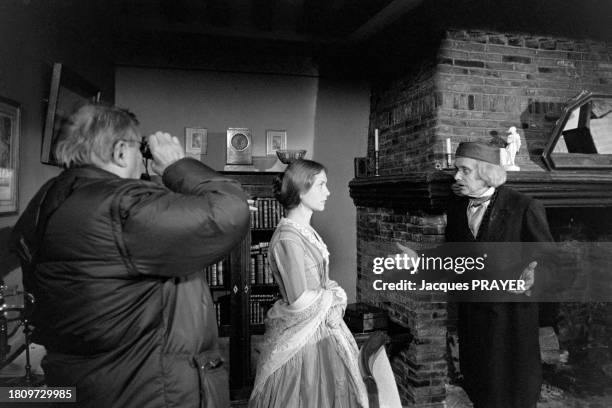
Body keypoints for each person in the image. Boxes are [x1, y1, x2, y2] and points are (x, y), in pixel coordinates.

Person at [11, 103, 250, 408]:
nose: (141, 159)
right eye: (140, 150)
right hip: (145, 389)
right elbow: (230, 212)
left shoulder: (51, 197)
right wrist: (178, 165)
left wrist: (153, 185)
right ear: (121, 151)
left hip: (88, 381)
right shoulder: (121, 207)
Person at [249, 159, 368, 408]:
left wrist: (332, 293)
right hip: (305, 342)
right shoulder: (288, 238)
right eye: (321, 185)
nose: (328, 191)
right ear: (302, 190)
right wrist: (334, 297)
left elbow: (320, 283)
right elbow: (300, 300)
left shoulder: (303, 230)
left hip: (321, 329)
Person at [447, 142, 553, 408]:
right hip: (473, 322)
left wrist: (535, 276)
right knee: (480, 390)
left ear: (487, 173)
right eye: (456, 170)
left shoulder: (524, 207)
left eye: (464, 170)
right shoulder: (457, 209)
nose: (457, 177)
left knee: (513, 393)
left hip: (511, 325)